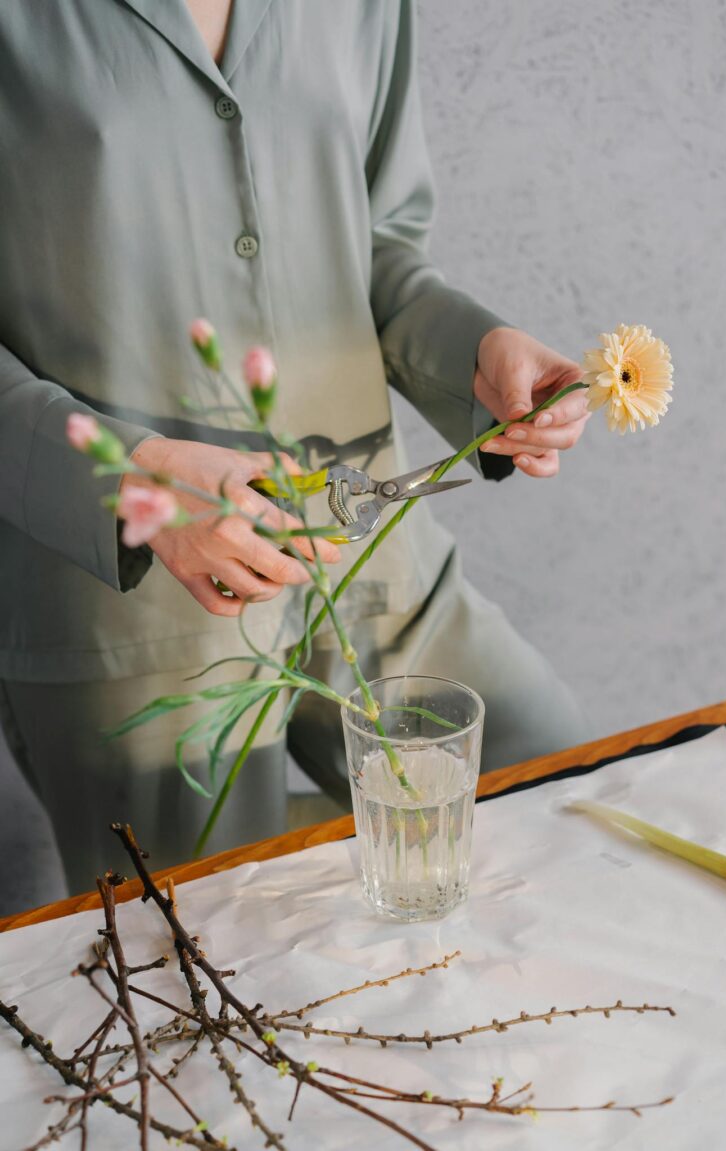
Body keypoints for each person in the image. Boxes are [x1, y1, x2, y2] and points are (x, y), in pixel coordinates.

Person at [0, 0, 591, 896]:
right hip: (135, 613)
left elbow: (380, 245)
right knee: (199, 964)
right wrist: (130, 482)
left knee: (564, 804)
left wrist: (477, 355)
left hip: (372, 552)